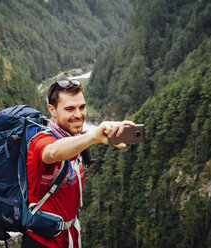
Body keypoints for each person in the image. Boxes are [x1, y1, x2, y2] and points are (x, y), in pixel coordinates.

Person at [22, 78, 135, 248]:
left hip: (70, 238)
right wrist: (93, 137)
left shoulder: (74, 137)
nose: (78, 114)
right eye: (69, 109)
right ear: (52, 110)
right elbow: (53, 151)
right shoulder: (41, 141)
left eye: (82, 107)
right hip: (42, 243)